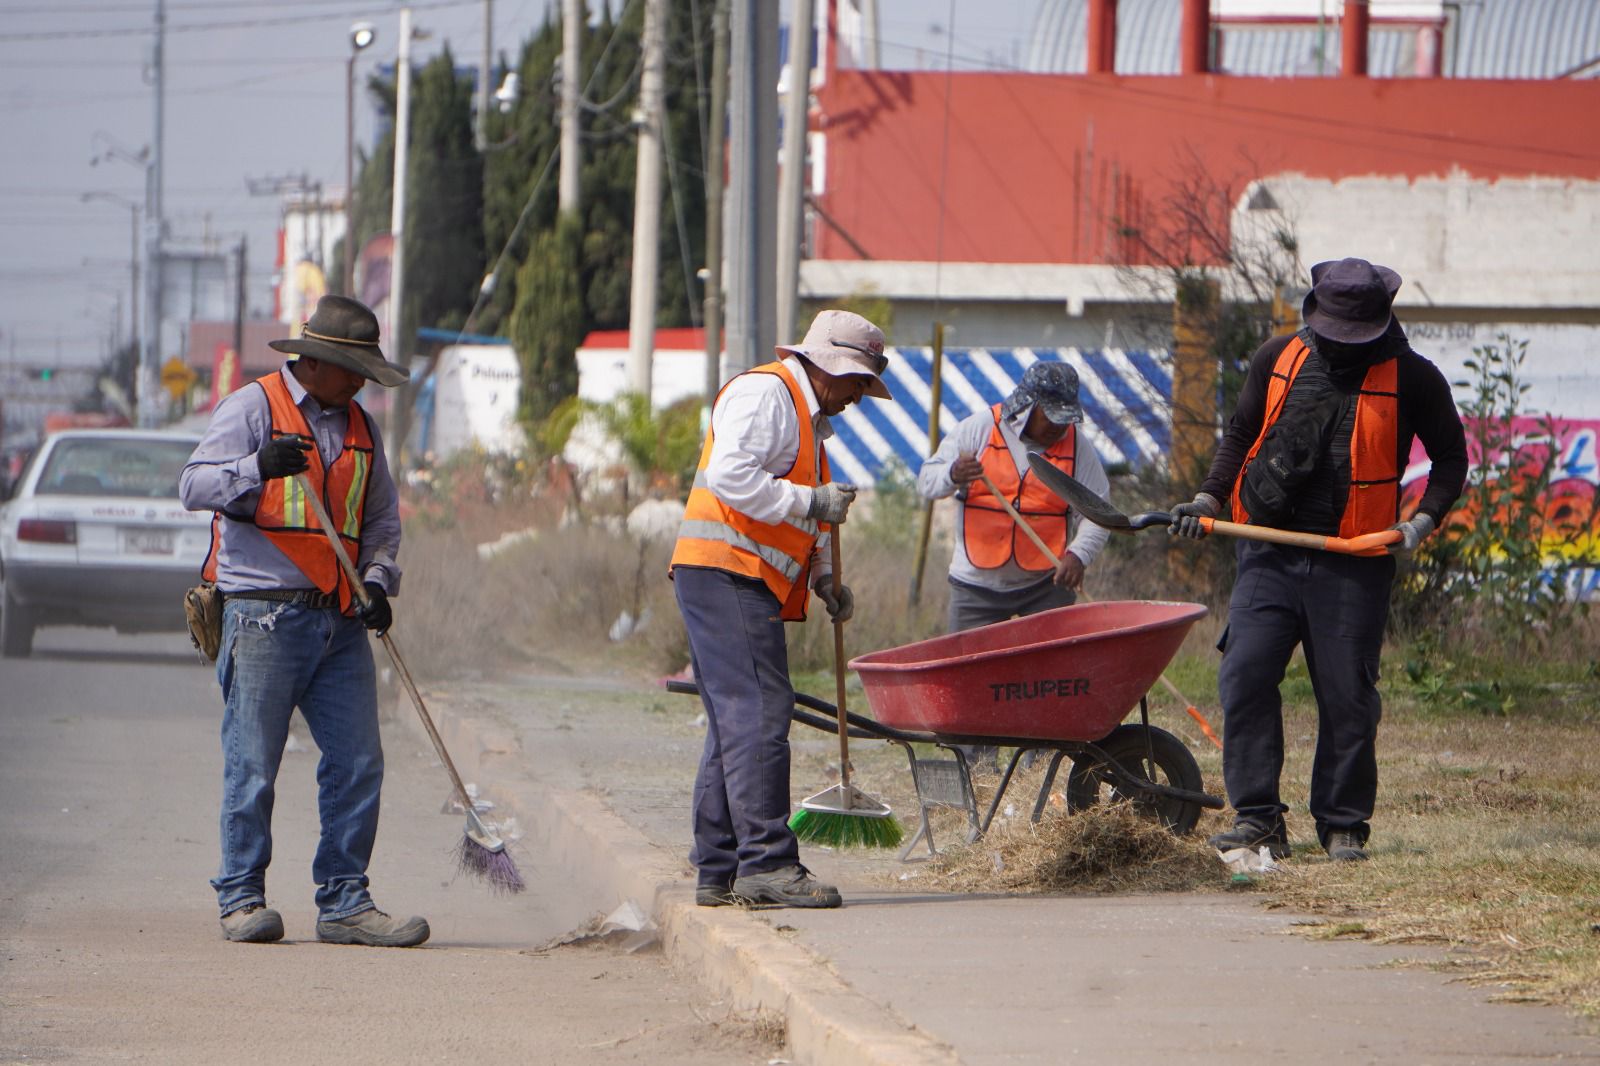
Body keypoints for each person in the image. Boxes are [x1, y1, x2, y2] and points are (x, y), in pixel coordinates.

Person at [1168, 258, 1466, 862]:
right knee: (1245, 674)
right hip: (1269, 553)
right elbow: (1240, 432)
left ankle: (1343, 824)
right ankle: (1257, 819)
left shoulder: (1414, 377)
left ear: (1382, 321)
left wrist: (1420, 523)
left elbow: (1451, 461)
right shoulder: (1275, 358)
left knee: (1347, 694)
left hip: (1356, 561)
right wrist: (1207, 498)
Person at [180, 295, 430, 946]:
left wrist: (378, 584)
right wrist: (256, 467)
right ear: (314, 362)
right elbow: (193, 487)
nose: (360, 383)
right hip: (262, 616)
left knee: (358, 763)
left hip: (340, 623)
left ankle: (345, 901)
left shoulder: (361, 429)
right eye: (352, 369)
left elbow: (380, 524)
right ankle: (241, 899)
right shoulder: (253, 408)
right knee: (253, 764)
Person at [669, 308, 893, 910]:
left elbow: (802, 516)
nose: (858, 397)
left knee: (734, 722)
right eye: (856, 383)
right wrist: (812, 498)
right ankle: (767, 862)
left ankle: (718, 869)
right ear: (828, 367)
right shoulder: (767, 393)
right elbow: (730, 476)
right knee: (762, 711)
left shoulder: (808, 420)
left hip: (738, 576)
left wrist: (823, 576)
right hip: (725, 572)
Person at [916, 360, 1111, 768]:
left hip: (1047, 584)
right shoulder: (978, 429)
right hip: (976, 584)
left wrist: (1079, 554)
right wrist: (954, 473)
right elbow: (927, 480)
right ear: (1029, 405)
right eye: (1052, 417)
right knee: (969, 681)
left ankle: (1040, 766)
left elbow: (1099, 511)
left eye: (1066, 418)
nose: (1059, 427)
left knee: (1050, 683)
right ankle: (976, 768)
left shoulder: (1078, 448)